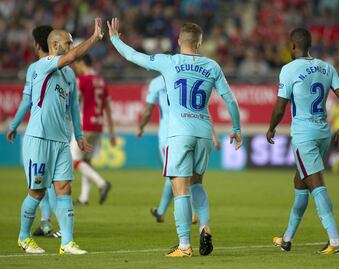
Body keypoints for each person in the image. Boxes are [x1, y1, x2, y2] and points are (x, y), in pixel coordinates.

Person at [108, 18, 242, 257]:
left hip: (179, 132)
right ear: (199, 43)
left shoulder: (168, 62)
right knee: (197, 182)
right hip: (203, 132)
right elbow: (230, 99)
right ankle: (204, 225)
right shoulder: (212, 66)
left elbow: (133, 56)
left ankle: (184, 245)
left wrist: (115, 38)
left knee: (180, 188)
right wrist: (237, 128)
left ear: (179, 41)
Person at [7, 18, 104, 254]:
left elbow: (73, 107)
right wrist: (93, 38)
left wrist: (79, 135)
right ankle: (24, 237)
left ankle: (67, 242)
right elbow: (27, 101)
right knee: (38, 191)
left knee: (64, 188)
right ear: (55, 45)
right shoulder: (41, 65)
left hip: (61, 141)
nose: (71, 47)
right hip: (39, 138)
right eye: (68, 43)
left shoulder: (70, 76)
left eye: (72, 43)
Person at [266, 28, 339, 255]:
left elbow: (280, 107)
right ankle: (286, 239)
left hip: (304, 136)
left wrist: (271, 127)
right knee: (300, 183)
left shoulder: (289, 69)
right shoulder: (326, 67)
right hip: (323, 133)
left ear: (293, 46)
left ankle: (335, 241)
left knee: (317, 186)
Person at [137, 75, 221, 223]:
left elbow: (148, 110)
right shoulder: (188, 78)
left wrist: (141, 127)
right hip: (192, 132)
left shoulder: (156, 82)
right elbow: (202, 110)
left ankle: (163, 212)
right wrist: (213, 135)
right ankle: (191, 214)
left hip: (169, 136)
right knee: (192, 177)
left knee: (174, 175)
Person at [6, 25, 60, 238]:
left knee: (39, 183)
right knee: (55, 183)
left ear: (37, 44)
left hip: (38, 134)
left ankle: (37, 228)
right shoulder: (64, 68)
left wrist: (12, 126)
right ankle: (49, 223)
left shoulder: (35, 68)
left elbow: (26, 101)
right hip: (59, 133)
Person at [71, 54, 115, 206]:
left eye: (76, 64)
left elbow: (75, 102)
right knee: (86, 161)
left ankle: (102, 183)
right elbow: (108, 108)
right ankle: (84, 198)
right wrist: (112, 132)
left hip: (85, 125)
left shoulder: (82, 80)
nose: (75, 68)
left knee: (74, 160)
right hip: (98, 125)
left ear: (82, 63)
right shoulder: (101, 81)